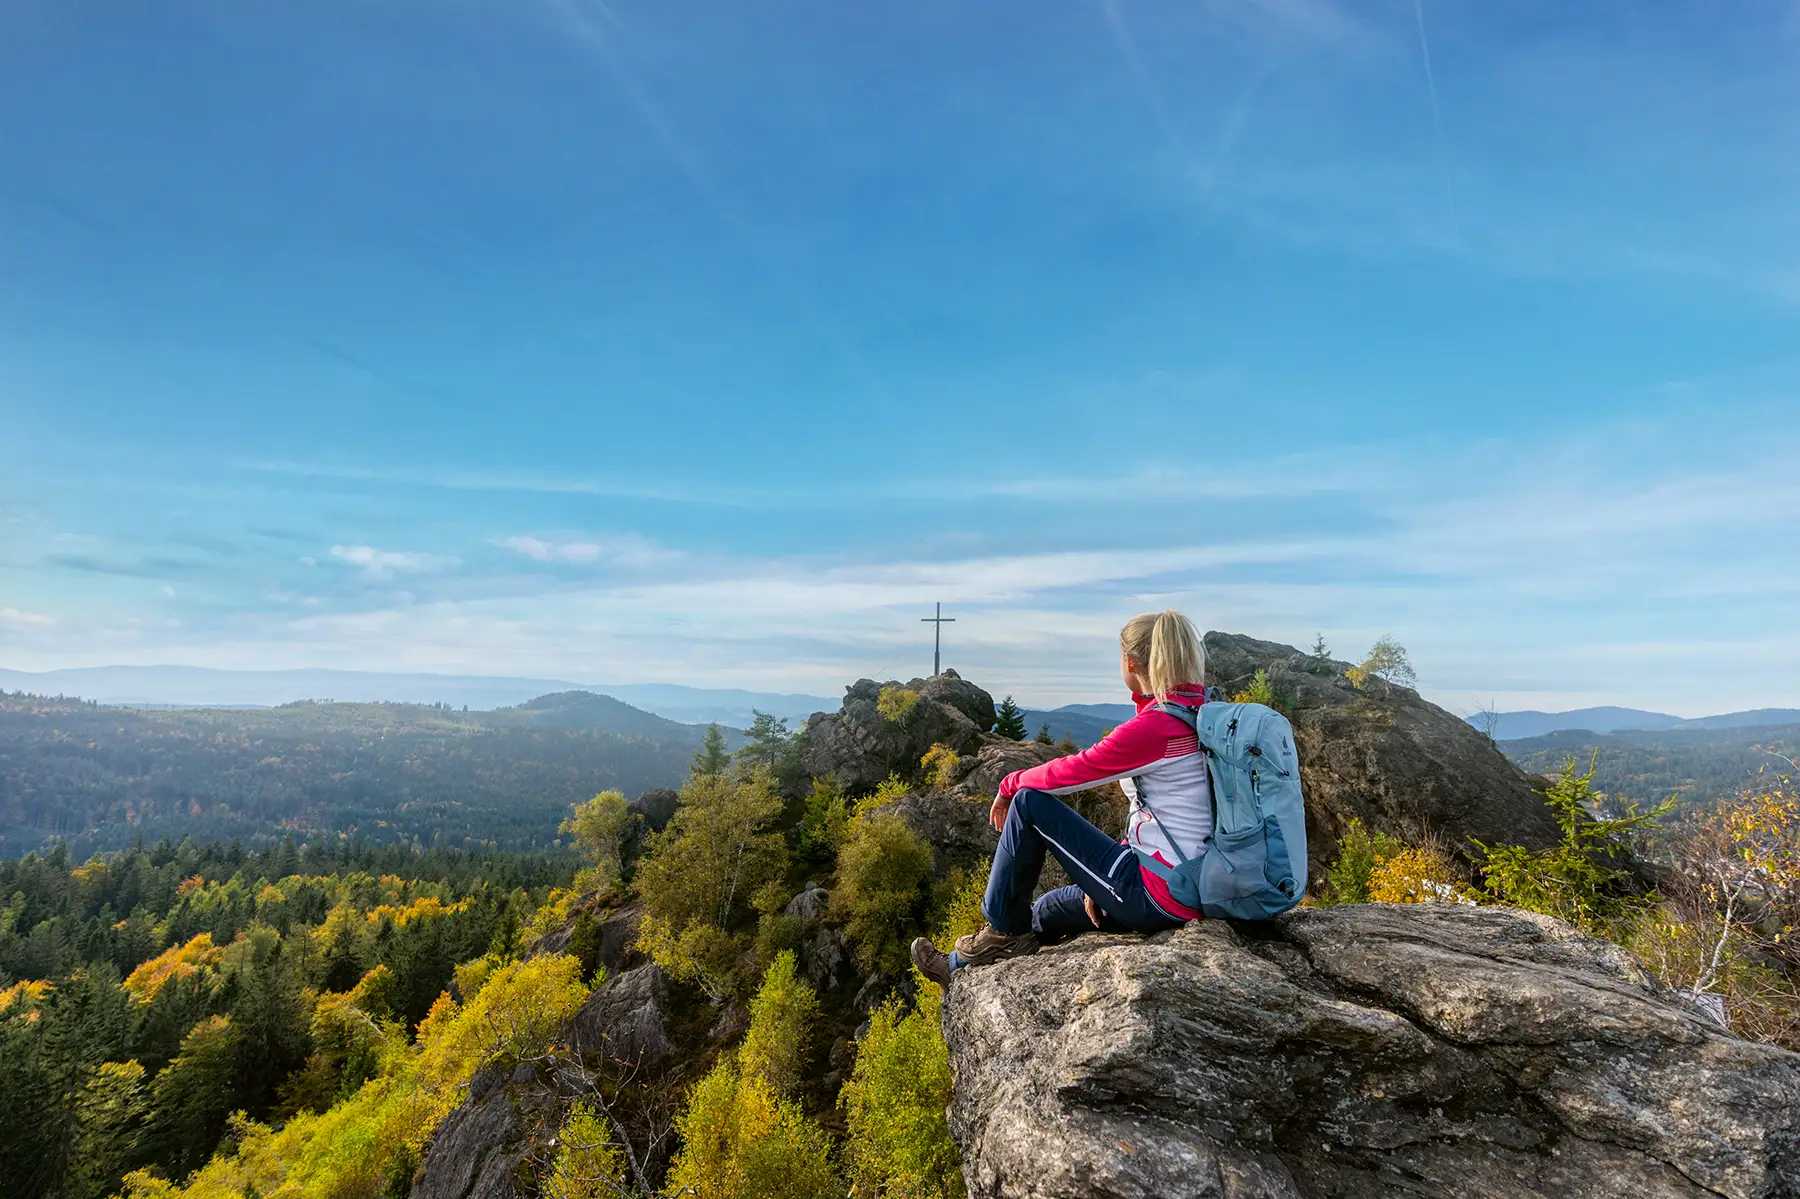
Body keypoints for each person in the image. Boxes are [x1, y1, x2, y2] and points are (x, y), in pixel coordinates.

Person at [911, 610, 1212, 987]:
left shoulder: (1156, 728)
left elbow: (1073, 771)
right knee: (1050, 908)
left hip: (1159, 895)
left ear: (1132, 663)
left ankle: (1002, 930)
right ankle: (954, 966)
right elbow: (1172, 815)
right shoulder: (1203, 718)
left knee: (1029, 804)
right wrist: (1099, 881)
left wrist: (1010, 784)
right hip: (1196, 885)